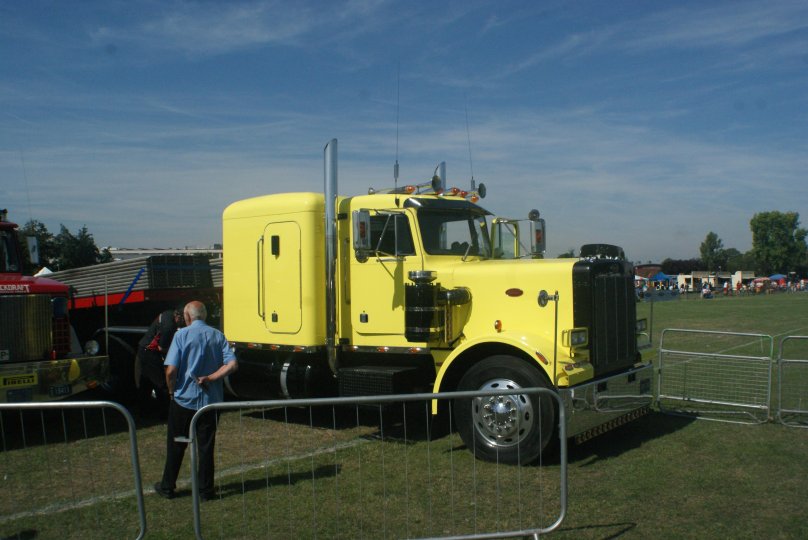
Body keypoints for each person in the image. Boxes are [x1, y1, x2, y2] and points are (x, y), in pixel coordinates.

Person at [154, 301, 237, 501]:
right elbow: (232, 364)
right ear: (204, 316)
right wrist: (211, 378)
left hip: (184, 400)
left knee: (176, 443)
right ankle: (206, 491)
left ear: (187, 316)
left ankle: (167, 486)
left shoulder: (181, 335)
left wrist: (172, 392)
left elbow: (171, 371)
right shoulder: (218, 335)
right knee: (206, 447)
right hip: (210, 401)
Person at [136, 307, 184, 413]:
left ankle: (143, 410)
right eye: (183, 320)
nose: (183, 324)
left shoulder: (168, 313)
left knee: (146, 382)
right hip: (150, 351)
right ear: (178, 316)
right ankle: (164, 412)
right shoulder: (169, 326)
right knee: (161, 383)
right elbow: (162, 348)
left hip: (143, 348)